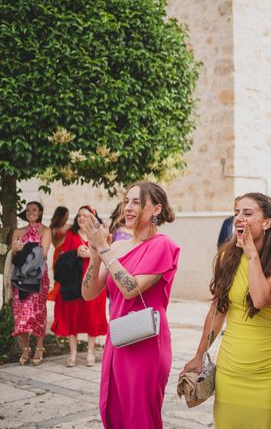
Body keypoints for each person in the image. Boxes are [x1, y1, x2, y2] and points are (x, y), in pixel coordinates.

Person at [183, 193, 271, 428]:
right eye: (236, 213)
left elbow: (261, 298)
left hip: (268, 371)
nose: (239, 218)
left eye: (247, 213)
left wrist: (251, 254)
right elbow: (217, 310)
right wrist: (200, 354)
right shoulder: (227, 257)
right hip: (230, 368)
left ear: (267, 222)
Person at [80, 181, 180, 428]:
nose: (129, 207)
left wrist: (104, 249)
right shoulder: (117, 247)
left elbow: (130, 289)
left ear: (156, 209)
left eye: (137, 202)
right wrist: (95, 253)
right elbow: (88, 293)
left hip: (146, 343)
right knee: (114, 409)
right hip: (118, 339)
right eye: (127, 201)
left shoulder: (163, 245)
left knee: (140, 415)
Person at [51, 206, 108, 367]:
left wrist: (90, 255)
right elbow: (63, 256)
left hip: (94, 281)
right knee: (72, 316)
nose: (81, 218)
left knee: (92, 316)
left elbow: (107, 254)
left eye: (86, 215)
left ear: (93, 218)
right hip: (74, 283)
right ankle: (73, 353)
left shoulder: (100, 235)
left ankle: (90, 352)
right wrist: (76, 252)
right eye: (79, 216)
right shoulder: (71, 235)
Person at [10, 201, 51, 366]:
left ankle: (39, 347)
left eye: (34, 210)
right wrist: (17, 249)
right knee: (21, 313)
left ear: (40, 212)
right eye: (27, 210)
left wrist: (24, 248)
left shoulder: (45, 230)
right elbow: (13, 253)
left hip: (38, 276)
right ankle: (26, 348)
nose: (30, 212)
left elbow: (44, 252)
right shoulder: (18, 231)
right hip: (21, 276)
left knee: (38, 312)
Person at [47, 206, 70, 301]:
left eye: (67, 216)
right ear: (60, 216)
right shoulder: (53, 228)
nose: (67, 218)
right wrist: (66, 234)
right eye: (65, 215)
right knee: (59, 276)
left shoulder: (70, 226)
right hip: (59, 255)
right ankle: (59, 295)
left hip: (69, 253)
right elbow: (55, 243)